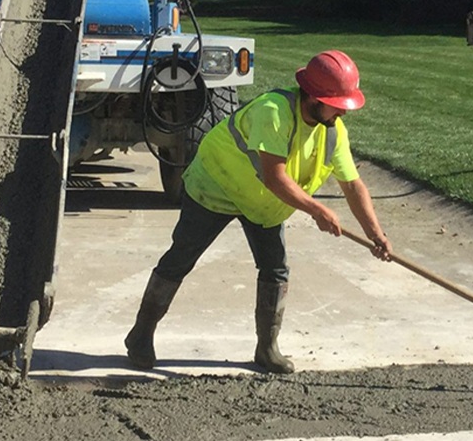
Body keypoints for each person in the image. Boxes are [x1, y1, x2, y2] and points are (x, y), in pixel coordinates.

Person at [125, 49, 394, 373]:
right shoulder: (274, 112)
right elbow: (275, 176)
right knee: (181, 257)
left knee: (275, 269)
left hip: (263, 205)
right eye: (337, 105)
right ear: (313, 97)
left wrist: (375, 234)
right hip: (217, 186)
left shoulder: (332, 130)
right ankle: (141, 334)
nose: (343, 113)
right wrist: (316, 210)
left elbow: (353, 186)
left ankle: (267, 349)